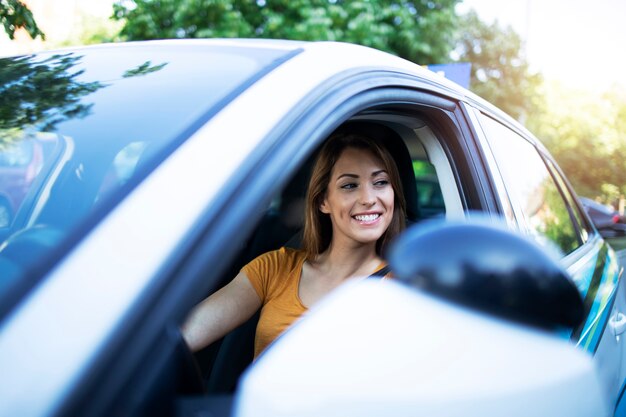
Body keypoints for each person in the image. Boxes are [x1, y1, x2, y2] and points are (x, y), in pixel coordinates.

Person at [182, 130, 407, 358]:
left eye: (380, 182)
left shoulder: (406, 286)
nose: (368, 199)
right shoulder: (275, 267)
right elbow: (183, 336)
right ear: (323, 202)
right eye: (349, 185)